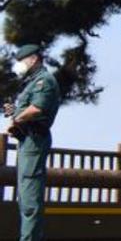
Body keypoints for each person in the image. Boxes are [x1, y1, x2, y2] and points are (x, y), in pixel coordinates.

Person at [5, 44, 61, 241]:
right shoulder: (33, 82)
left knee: (30, 199)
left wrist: (18, 117)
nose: (19, 65)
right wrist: (15, 112)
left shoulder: (43, 81)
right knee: (25, 196)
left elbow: (37, 108)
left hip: (34, 141)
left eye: (21, 61)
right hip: (27, 141)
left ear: (33, 59)